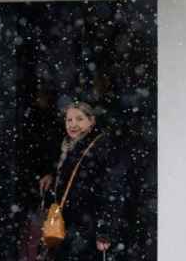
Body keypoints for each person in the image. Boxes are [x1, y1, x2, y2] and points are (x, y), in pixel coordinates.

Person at [39, 101, 127, 261]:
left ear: (91, 121)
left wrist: (105, 231)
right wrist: (51, 176)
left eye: (79, 119)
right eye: (69, 120)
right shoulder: (67, 146)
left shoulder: (102, 146)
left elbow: (113, 190)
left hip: (87, 226)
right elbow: (68, 176)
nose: (73, 124)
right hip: (67, 225)